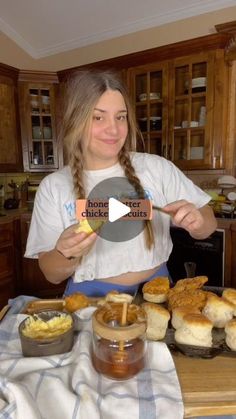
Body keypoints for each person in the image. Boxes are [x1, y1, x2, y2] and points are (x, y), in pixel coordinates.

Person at [25, 69, 217, 297]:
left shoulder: (157, 168)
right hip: (89, 299)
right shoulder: (53, 186)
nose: (113, 129)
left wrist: (198, 222)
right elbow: (52, 273)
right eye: (98, 117)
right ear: (76, 120)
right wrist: (67, 253)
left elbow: (209, 223)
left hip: (156, 293)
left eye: (120, 116)